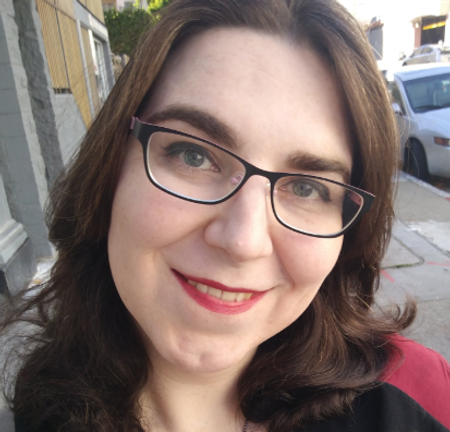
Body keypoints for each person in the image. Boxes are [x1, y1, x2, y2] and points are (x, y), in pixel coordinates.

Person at [2, 0, 450, 431]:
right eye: (193, 155)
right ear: (110, 168)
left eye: (307, 188)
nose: (243, 240)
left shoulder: (411, 406)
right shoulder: (38, 413)